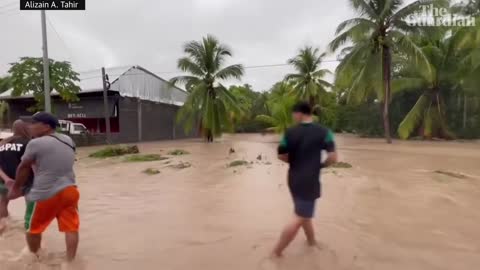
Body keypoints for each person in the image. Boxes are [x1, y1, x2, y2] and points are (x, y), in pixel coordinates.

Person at [8, 112, 79, 262]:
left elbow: (23, 167)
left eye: (34, 123)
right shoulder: (68, 139)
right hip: (70, 190)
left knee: (32, 229)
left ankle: (36, 260)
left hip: (44, 193)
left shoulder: (35, 143)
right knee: (71, 228)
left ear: (46, 126)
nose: (30, 126)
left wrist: (16, 188)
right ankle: (71, 262)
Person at [272, 101, 338, 257]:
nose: (293, 117)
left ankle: (311, 242)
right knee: (300, 216)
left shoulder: (289, 132)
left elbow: (281, 155)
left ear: (299, 113)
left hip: (293, 179)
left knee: (303, 213)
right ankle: (276, 252)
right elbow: (333, 157)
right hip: (309, 181)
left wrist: (295, 162)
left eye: (293, 114)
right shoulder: (324, 132)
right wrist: (321, 166)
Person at [0, 120, 32, 232]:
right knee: (30, 203)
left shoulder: (3, 143)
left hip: (4, 180)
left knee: (3, 202)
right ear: (26, 129)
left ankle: (3, 226)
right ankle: (29, 228)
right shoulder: (28, 143)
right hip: (25, 180)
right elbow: (31, 164)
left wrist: (6, 179)